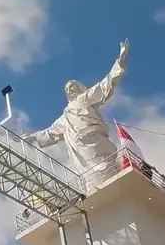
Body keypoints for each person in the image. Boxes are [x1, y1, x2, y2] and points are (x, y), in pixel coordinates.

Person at [23, 40, 129, 178]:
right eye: (68, 89)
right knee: (91, 176)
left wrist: (121, 58)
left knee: (106, 168)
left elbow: (106, 84)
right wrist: (32, 137)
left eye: (73, 87)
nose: (70, 90)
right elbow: (51, 132)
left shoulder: (85, 98)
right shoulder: (66, 115)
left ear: (79, 88)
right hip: (80, 150)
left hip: (95, 142)